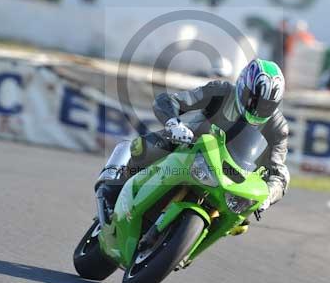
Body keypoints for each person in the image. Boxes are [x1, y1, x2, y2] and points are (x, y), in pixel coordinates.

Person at [98, 59, 290, 222]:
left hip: (232, 176)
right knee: (147, 147)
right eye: (253, 100)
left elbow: (279, 173)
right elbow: (170, 101)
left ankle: (185, 246)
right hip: (189, 146)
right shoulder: (220, 91)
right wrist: (174, 124)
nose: (257, 109)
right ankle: (116, 186)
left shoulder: (278, 128)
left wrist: (268, 196)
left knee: (241, 222)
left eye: (266, 106)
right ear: (242, 86)